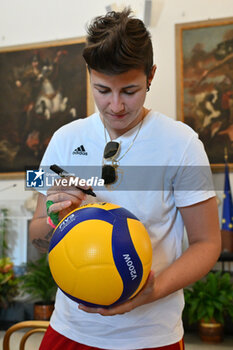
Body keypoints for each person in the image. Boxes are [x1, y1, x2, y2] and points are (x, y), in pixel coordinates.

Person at [30, 8, 221, 350]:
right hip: (70, 330)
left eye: (129, 91)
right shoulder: (64, 139)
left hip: (150, 336)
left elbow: (207, 243)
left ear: (151, 76)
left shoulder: (182, 144)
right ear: (89, 75)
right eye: (102, 90)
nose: (115, 106)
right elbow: (36, 236)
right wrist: (54, 211)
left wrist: (151, 292)